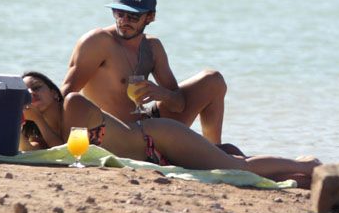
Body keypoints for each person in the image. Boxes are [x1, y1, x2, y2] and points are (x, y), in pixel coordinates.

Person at [22, 71, 318, 185]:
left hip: (157, 138)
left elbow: (66, 151)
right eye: (26, 92)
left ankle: (306, 164)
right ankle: (298, 178)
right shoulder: (43, 128)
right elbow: (41, 154)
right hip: (153, 157)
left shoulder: (72, 104)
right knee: (233, 172)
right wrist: (28, 123)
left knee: (235, 167)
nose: (32, 94)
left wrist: (36, 121)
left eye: (37, 87)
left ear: (53, 90)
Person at [61, 0, 230, 145]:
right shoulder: (98, 42)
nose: (124, 21)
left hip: (147, 123)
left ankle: (214, 149)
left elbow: (179, 105)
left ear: (150, 17)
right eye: (119, 13)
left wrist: (161, 93)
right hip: (114, 132)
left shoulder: (152, 47)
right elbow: (66, 96)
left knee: (213, 80)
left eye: (133, 16)